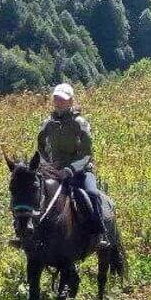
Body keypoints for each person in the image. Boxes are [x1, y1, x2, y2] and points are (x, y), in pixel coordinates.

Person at [36, 83, 109, 248]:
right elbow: (40, 147)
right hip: (55, 171)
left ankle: (101, 233)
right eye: (56, 98)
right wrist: (48, 165)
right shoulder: (48, 123)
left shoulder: (80, 123)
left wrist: (70, 169)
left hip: (80, 170)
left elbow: (87, 152)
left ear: (70, 101)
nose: (59, 102)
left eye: (63, 99)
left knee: (92, 193)